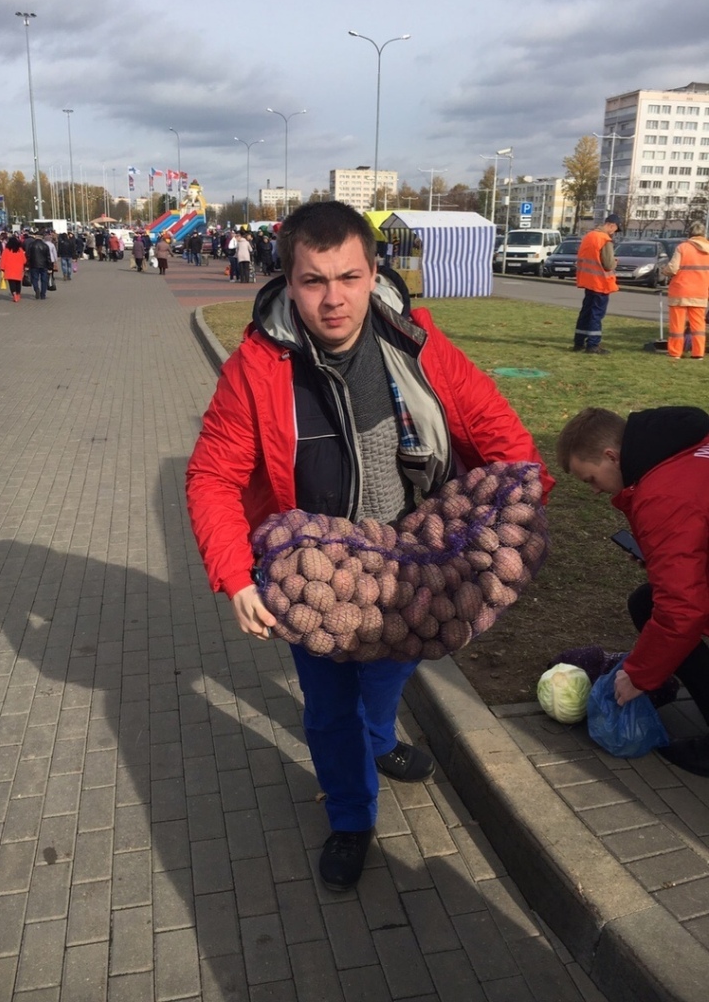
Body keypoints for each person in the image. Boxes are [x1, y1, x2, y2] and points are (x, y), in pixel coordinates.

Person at [185, 201, 554, 891]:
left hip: (411, 561)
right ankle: (351, 816)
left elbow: (495, 428)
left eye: (349, 278)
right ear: (288, 281)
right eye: (314, 280)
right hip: (314, 567)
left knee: (387, 677)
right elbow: (212, 476)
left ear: (374, 272)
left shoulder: (416, 342)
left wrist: (522, 504)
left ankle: (379, 741)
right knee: (329, 708)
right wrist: (234, 575)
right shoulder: (256, 366)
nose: (334, 299)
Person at [556, 405, 709, 776]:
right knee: (648, 599)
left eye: (591, 479)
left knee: (656, 607)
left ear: (612, 456)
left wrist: (639, 675)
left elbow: (681, 610)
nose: (595, 491)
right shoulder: (687, 447)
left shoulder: (660, 497)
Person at [572, 214, 621, 355]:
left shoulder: (589, 236)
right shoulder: (605, 239)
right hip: (601, 283)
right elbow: (608, 264)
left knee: (586, 312)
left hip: (588, 281)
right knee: (596, 314)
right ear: (611, 225)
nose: (614, 233)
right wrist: (615, 262)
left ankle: (579, 342)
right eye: (615, 230)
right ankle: (593, 344)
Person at [662, 221, 709, 360]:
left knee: (677, 324)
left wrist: (665, 271)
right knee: (699, 325)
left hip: (680, 291)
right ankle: (698, 353)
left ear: (690, 233)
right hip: (700, 292)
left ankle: (675, 352)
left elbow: (673, 268)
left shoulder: (683, 247)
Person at [0, 235, 28, 302]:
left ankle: (14, 295)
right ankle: (18, 294)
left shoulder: (6, 250)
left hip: (9, 269)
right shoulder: (20, 250)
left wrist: (2, 268)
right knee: (18, 282)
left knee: (11, 283)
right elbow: (24, 260)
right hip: (18, 269)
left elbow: (3, 260)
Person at [26, 232, 52, 299]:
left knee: (34, 279)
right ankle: (43, 294)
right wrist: (50, 267)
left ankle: (36, 289)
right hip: (44, 265)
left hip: (34, 264)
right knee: (44, 280)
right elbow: (48, 257)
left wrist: (27, 265)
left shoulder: (31, 245)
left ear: (35, 236)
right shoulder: (45, 246)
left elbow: (28, 256)